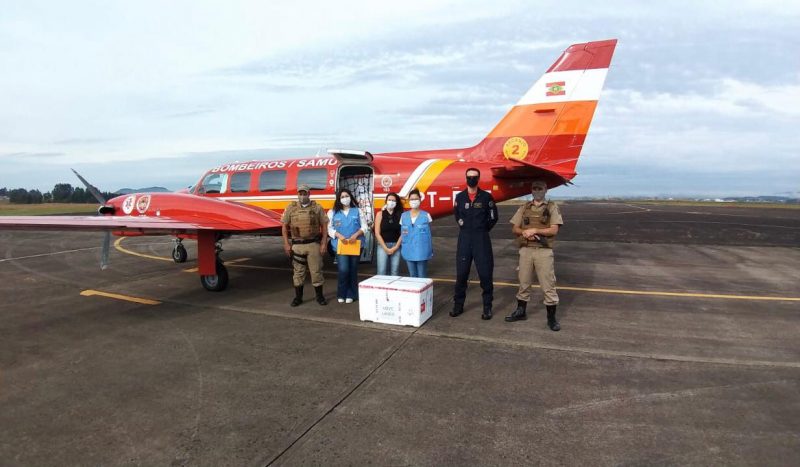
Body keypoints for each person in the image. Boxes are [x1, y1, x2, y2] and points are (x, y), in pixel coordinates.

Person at [506, 179, 564, 331]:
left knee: (548, 285)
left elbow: (554, 230)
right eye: (534, 188)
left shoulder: (551, 207)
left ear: (545, 190)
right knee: (523, 282)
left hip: (543, 251)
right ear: (531, 190)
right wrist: (524, 232)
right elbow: (515, 228)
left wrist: (535, 230)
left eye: (540, 188)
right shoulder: (524, 207)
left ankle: (551, 318)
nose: (537, 191)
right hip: (526, 250)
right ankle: (521, 311)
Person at [452, 167, 498, 320]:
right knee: (461, 275)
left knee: (485, 275)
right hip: (464, 238)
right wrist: (464, 226)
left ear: (478, 178)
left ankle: (487, 307)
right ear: (466, 178)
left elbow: (493, 217)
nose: (472, 179)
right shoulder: (459, 197)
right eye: (469, 177)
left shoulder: (486, 197)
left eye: (474, 177)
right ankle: (458, 306)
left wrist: (482, 230)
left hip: (481, 239)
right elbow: (457, 214)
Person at [281, 184, 329, 306]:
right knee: (298, 273)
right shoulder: (291, 208)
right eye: (300, 194)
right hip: (297, 245)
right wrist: (286, 244)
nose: (302, 196)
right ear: (298, 194)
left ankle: (319, 297)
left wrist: (324, 243)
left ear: (309, 194)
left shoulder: (317, 208)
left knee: (316, 271)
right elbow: (284, 226)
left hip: (313, 244)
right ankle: (298, 298)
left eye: (305, 194)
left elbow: (324, 226)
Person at [328, 188, 368, 303]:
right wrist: (338, 235)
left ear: (350, 197)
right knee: (343, 269)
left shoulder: (358, 211)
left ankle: (351, 294)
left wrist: (356, 234)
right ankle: (341, 293)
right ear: (339, 199)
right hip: (341, 245)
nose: (345, 198)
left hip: (355, 245)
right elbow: (330, 228)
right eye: (342, 197)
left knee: (353, 269)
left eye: (346, 196)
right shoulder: (333, 212)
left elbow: (364, 227)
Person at [400, 189, 433, 278]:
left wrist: (429, 250)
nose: (414, 201)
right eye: (412, 199)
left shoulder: (426, 215)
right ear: (408, 201)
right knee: (412, 276)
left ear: (420, 200)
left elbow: (429, 235)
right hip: (408, 250)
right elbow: (402, 234)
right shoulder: (403, 216)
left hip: (422, 251)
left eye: (416, 199)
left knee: (422, 275)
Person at [374, 192, 403, 276]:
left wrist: (396, 247)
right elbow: (377, 233)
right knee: (381, 271)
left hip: (396, 246)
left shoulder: (400, 215)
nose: (391, 202)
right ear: (386, 201)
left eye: (393, 200)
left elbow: (403, 233)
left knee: (395, 271)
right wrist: (385, 248)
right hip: (383, 245)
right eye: (389, 200)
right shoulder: (380, 214)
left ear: (396, 203)